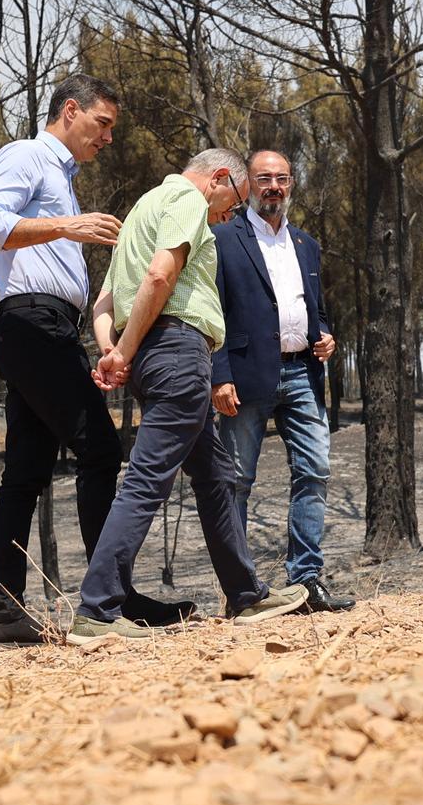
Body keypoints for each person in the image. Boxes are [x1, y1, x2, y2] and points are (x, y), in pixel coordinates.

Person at [0, 74, 193, 645]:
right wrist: (68, 225)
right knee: (98, 449)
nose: (109, 138)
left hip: (42, 328)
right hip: (32, 325)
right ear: (71, 110)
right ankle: (107, 603)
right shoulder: (26, 156)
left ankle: (6, 610)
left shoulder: (61, 179)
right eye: (103, 124)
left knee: (26, 470)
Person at [70, 148, 308, 643]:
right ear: (220, 177)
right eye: (233, 200)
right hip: (177, 350)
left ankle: (246, 596)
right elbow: (160, 276)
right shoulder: (185, 199)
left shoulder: (141, 209)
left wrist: (112, 349)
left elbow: (106, 299)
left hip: (154, 356)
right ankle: (95, 611)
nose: (229, 214)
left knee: (215, 475)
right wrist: (124, 351)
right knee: (146, 480)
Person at [210, 149, 354, 612]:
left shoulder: (307, 244)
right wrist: (219, 375)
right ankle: (241, 592)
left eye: (282, 179)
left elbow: (317, 309)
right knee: (236, 481)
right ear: (247, 184)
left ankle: (306, 582)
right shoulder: (222, 240)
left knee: (314, 472)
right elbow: (211, 314)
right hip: (246, 377)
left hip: (303, 375)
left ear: (292, 184)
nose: (274, 187)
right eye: (264, 178)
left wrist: (326, 334)